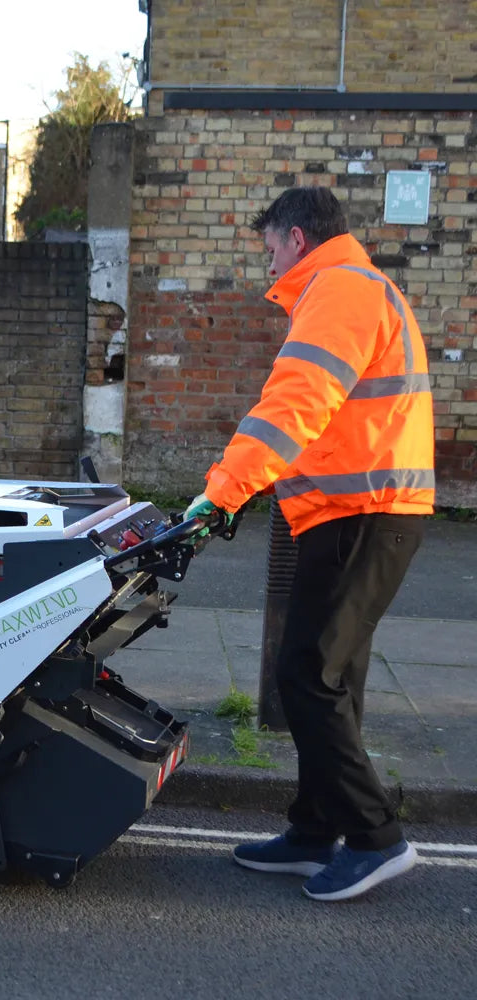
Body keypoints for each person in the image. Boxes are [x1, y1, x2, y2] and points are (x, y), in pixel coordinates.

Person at [184, 186, 435, 902]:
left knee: (307, 676)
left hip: (361, 513)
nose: (268, 264)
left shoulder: (340, 289)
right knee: (335, 677)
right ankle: (315, 829)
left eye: (269, 249)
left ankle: (377, 836)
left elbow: (296, 402)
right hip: (363, 512)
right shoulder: (354, 287)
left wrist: (222, 492)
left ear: (296, 238)